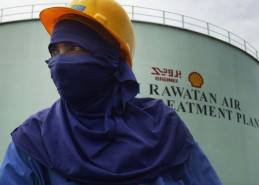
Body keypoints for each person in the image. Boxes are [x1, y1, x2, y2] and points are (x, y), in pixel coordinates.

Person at [0, 0, 222, 184]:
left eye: (74, 47)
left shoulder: (164, 126)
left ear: (110, 57)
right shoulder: (33, 139)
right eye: (55, 51)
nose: (59, 62)